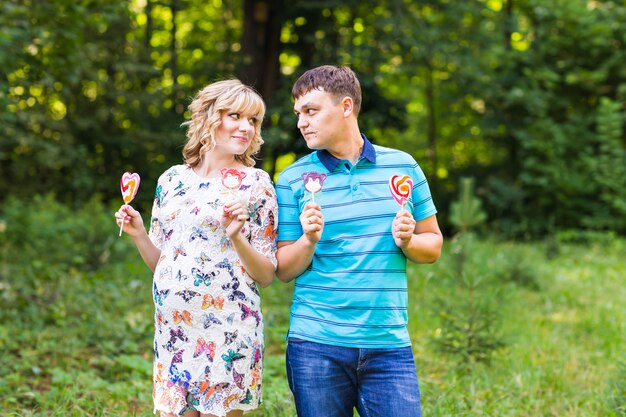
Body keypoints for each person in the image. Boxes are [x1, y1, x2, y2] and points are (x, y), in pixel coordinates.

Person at [275, 65, 443, 417]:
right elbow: (284, 270)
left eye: (311, 111)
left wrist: (409, 241)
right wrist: (308, 239)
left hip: (388, 344)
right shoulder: (293, 178)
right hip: (316, 344)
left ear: (346, 106)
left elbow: (433, 246)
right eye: (298, 114)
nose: (301, 123)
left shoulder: (403, 168)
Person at [115, 79, 278, 417]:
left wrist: (237, 236)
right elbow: (163, 263)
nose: (246, 127)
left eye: (253, 120)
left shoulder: (256, 184)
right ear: (208, 117)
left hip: (227, 329)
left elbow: (266, 274)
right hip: (174, 331)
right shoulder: (171, 180)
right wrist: (139, 234)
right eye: (235, 115)